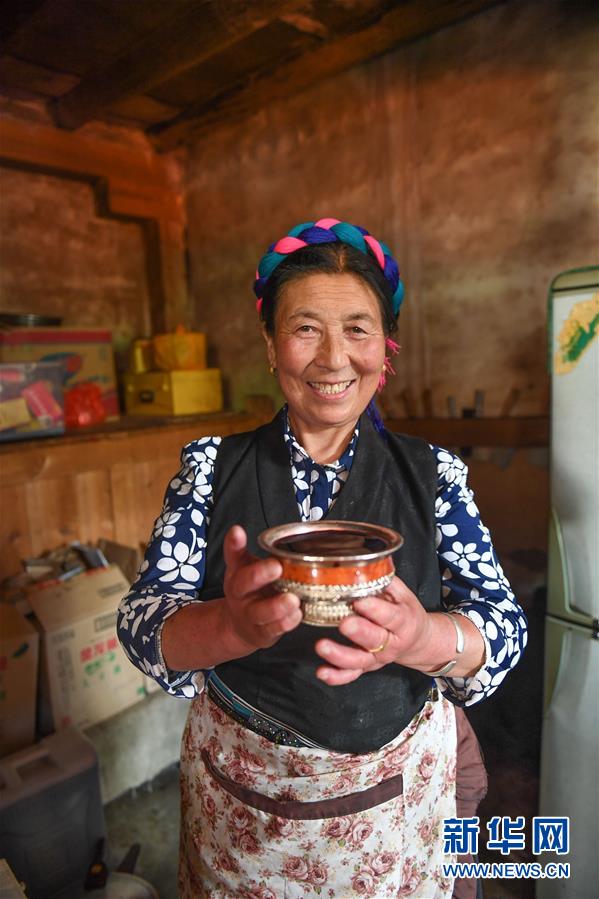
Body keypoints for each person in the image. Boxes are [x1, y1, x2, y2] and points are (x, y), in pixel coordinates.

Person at [118, 218, 527, 898]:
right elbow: (142, 622)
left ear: (385, 347)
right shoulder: (212, 469)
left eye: (358, 329)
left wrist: (421, 638)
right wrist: (229, 627)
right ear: (270, 345)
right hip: (244, 800)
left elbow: (503, 626)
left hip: (397, 800)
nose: (334, 358)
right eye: (305, 328)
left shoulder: (433, 476)